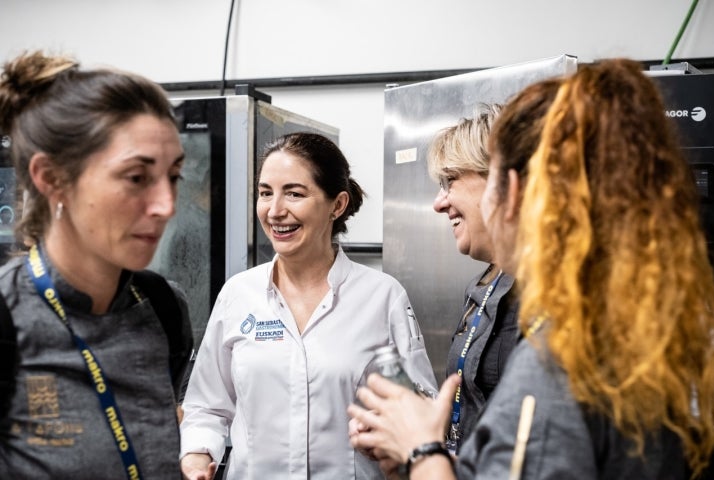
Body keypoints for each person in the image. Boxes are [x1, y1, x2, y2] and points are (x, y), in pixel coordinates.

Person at [348, 58, 714, 480]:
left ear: (517, 190)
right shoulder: (636, 317)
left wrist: (422, 450)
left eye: (452, 181)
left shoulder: (564, 355)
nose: (439, 202)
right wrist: (422, 458)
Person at [179, 132, 437, 479]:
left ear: (337, 204)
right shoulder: (238, 295)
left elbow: (419, 413)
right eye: (265, 193)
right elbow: (206, 407)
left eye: (295, 194)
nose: (274, 211)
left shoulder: (382, 297)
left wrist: (392, 442)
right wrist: (196, 456)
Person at [0, 51, 193, 479]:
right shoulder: (9, 317)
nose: (166, 205)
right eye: (137, 177)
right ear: (50, 178)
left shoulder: (162, 306)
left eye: (174, 176)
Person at [427, 109, 519, 451]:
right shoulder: (484, 284)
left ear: (503, 181)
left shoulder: (552, 294)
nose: (439, 203)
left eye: (450, 181)